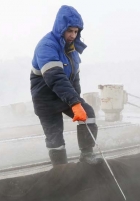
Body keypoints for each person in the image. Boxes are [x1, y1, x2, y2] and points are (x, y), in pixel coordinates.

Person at [30, 5, 102, 166]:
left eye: (76, 31)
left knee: (88, 113)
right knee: (55, 138)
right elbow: (56, 78)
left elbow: (74, 78)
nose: (73, 35)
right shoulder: (46, 46)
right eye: (70, 31)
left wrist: (77, 100)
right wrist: (74, 103)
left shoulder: (72, 49)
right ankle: (61, 170)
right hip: (46, 99)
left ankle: (87, 155)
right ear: (60, 28)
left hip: (65, 97)